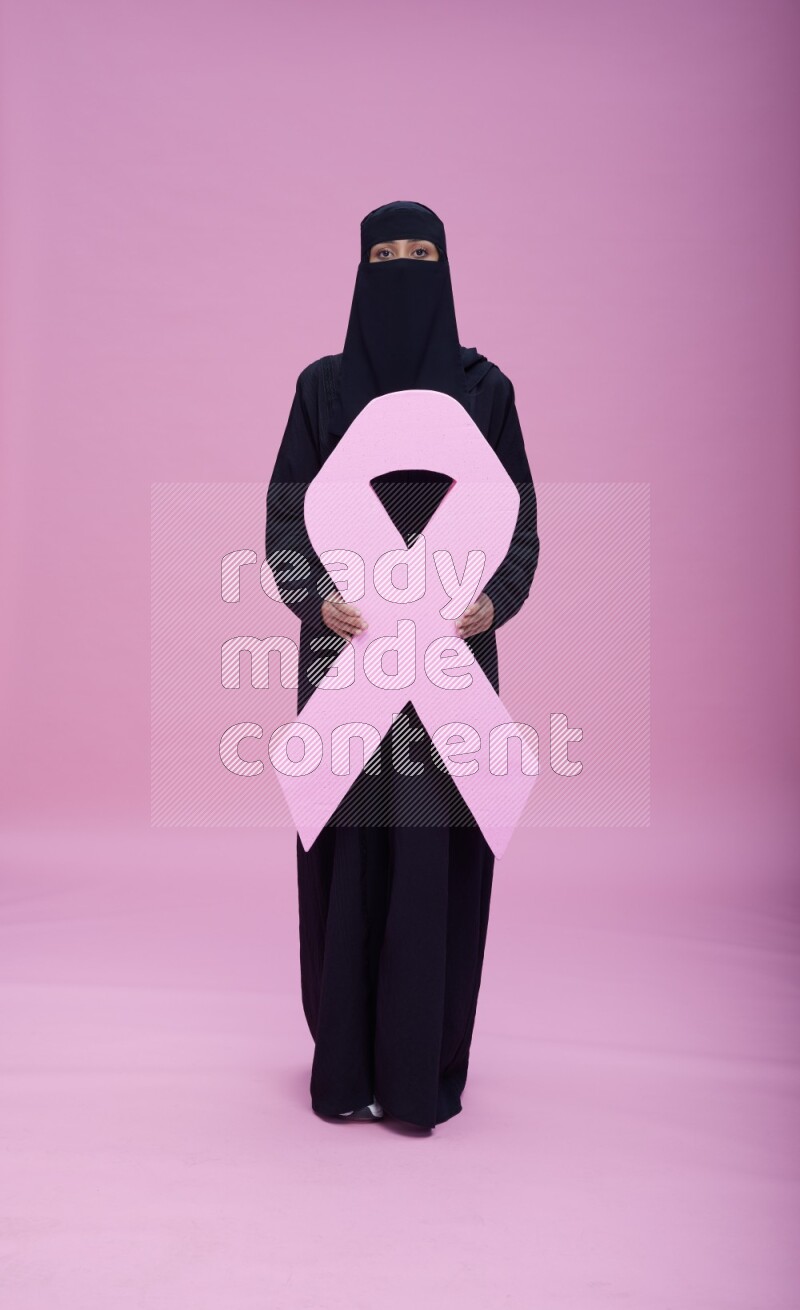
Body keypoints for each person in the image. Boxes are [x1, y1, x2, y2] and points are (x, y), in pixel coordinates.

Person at [265, 201, 539, 1130]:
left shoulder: (485, 390)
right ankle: (344, 1069)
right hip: (349, 658)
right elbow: (286, 517)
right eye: (386, 254)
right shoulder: (323, 389)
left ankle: (420, 1070)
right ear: (358, 269)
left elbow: (520, 524)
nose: (404, 269)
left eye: (421, 253)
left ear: (449, 267)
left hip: (450, 667)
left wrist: (492, 601)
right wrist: (315, 598)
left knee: (435, 856)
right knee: (346, 851)